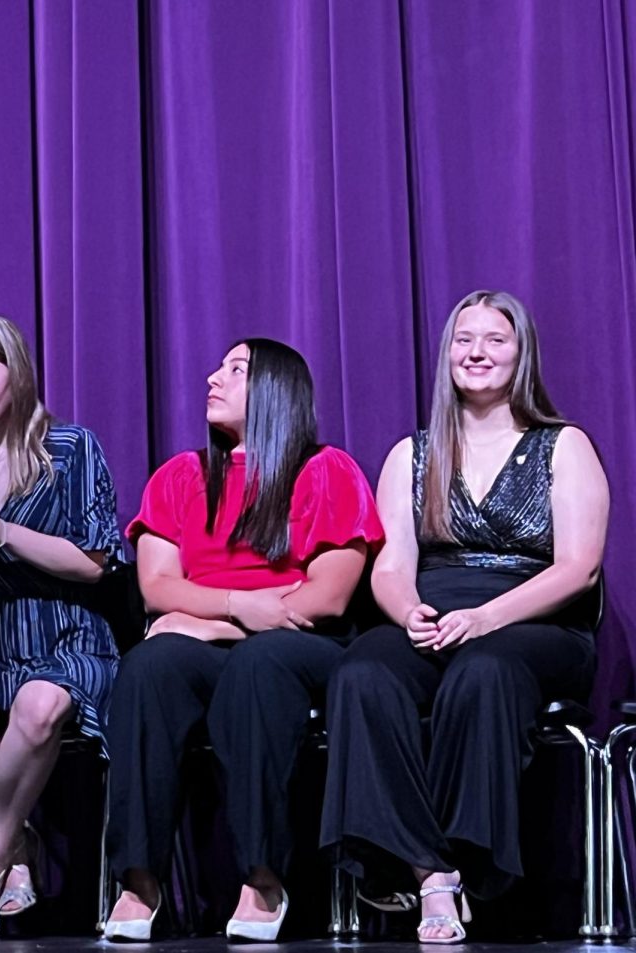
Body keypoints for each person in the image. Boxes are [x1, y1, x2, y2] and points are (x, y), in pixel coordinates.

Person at [320, 290, 609, 944]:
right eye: (463, 339)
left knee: (484, 670)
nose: (477, 352)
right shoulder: (411, 454)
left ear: (521, 353)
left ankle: (471, 860)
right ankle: (429, 872)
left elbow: (578, 569)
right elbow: (390, 567)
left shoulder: (563, 447)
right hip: (435, 612)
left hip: (535, 619)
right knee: (362, 671)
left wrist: (486, 617)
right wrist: (408, 612)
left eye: (494, 339)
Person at [102, 339, 384, 942]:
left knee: (258, 665)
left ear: (277, 390)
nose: (213, 378)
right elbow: (156, 587)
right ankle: (139, 878)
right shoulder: (179, 477)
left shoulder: (326, 470)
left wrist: (216, 622)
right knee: (150, 667)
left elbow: (327, 597)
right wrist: (231, 609)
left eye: (236, 370)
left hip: (302, 643)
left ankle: (262, 875)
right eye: (218, 367)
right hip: (217, 639)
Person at [0, 315, 122, 938]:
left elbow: (93, 564)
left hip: (66, 629)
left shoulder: (71, 449)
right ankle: (22, 844)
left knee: (39, 709)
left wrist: (2, 531)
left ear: (19, 376)